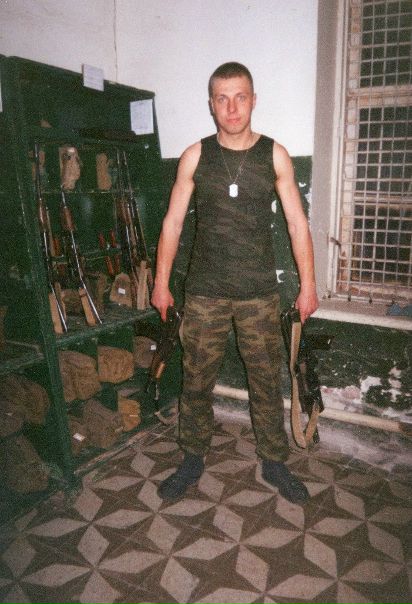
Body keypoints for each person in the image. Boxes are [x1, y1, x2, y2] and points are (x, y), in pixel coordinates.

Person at [151, 62, 319, 504]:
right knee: (195, 380)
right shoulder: (195, 156)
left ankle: (274, 461)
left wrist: (308, 286)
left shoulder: (274, 155)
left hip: (258, 293)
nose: (231, 108)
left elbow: (297, 224)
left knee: (266, 382)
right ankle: (192, 458)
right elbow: (172, 223)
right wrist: (160, 283)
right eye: (222, 99)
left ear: (253, 100)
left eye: (240, 97)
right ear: (211, 104)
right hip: (204, 292)